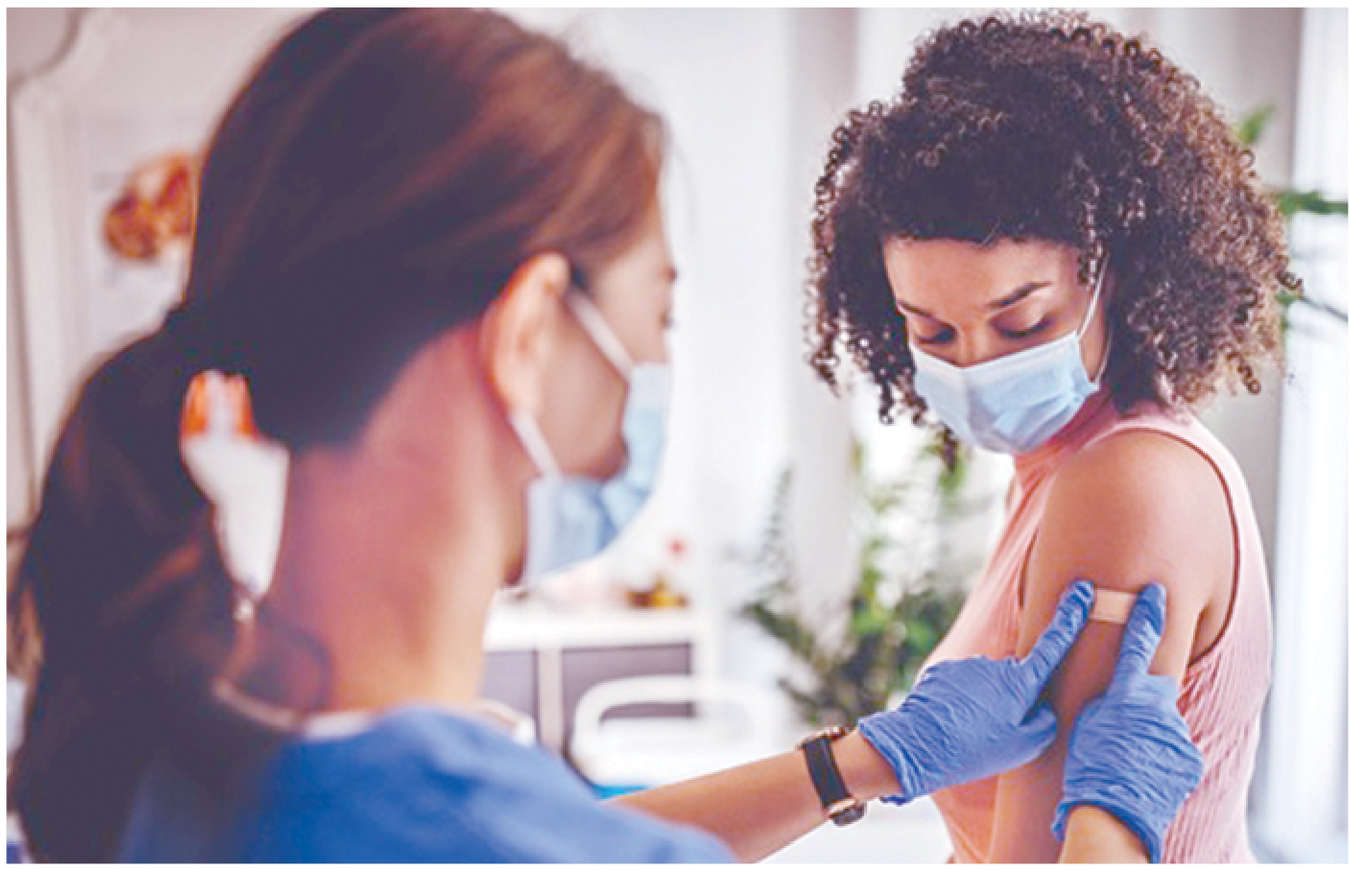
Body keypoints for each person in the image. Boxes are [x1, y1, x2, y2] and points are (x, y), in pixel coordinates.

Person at [8, 9, 1198, 863]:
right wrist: (1111, 825)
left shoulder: (162, 737)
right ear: (529, 333)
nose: (660, 368)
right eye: (657, 316)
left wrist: (867, 759)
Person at [806, 9, 1292, 863]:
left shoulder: (1126, 484)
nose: (976, 365)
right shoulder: (1052, 470)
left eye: (1022, 323)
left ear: (1116, 272)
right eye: (932, 331)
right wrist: (861, 764)